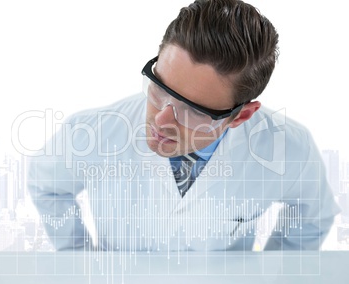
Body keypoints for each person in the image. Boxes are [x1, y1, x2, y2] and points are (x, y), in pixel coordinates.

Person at [27, 0, 340, 251]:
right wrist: (79, 260)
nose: (161, 120)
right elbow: (48, 187)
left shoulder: (287, 147)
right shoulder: (90, 133)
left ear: (241, 116)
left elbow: (311, 215)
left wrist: (267, 273)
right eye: (160, 87)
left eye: (192, 111)